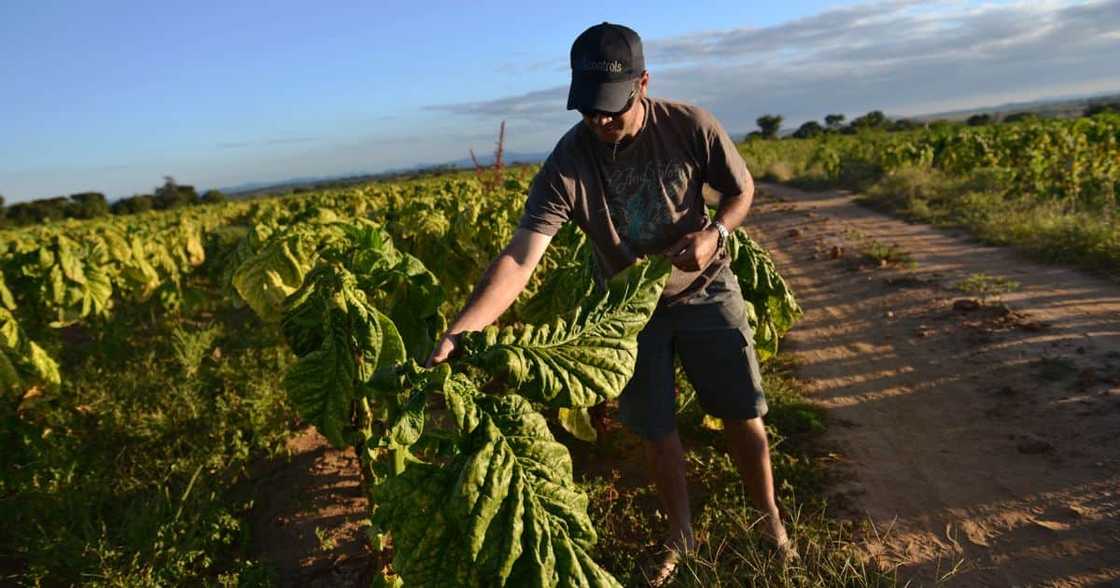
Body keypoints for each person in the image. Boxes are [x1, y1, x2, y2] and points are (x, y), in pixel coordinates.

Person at [427, 22, 793, 585]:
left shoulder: (690, 126)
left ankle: (769, 520)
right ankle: (681, 536)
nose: (598, 121)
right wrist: (460, 330)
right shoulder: (568, 163)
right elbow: (521, 258)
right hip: (626, 311)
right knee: (655, 427)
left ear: (642, 84)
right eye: (587, 110)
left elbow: (741, 191)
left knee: (743, 411)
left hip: (707, 289)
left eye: (611, 109)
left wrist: (716, 232)